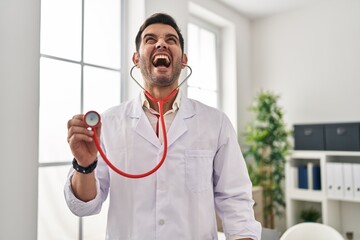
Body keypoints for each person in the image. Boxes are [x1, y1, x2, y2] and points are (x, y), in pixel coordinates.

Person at [65, 13, 261, 240]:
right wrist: (84, 165)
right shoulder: (109, 123)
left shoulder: (215, 123)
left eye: (171, 40)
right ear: (136, 59)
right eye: (150, 40)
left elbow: (235, 202)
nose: (161, 43)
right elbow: (84, 206)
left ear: (184, 59)